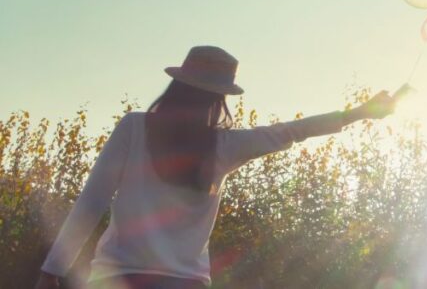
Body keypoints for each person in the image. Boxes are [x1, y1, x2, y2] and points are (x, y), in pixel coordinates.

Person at [35, 46, 402, 289]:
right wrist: (360, 113)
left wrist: (53, 269)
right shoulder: (225, 145)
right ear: (219, 99)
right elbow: (292, 131)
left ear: (177, 86)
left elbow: (92, 200)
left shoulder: (134, 128)